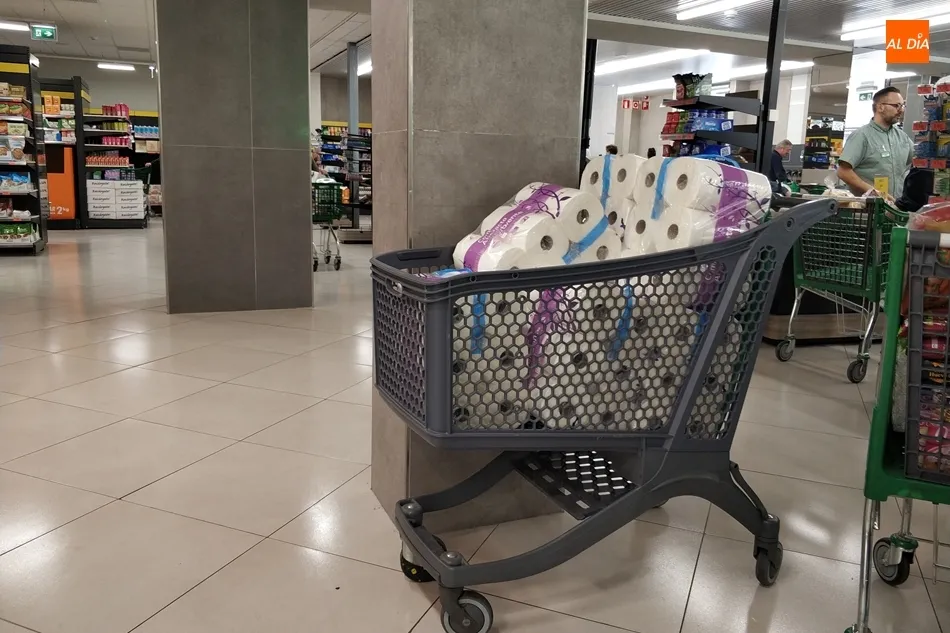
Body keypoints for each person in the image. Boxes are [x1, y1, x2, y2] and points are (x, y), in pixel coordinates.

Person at [837, 86, 913, 199]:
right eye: (896, 105)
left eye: (902, 106)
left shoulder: (903, 137)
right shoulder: (862, 136)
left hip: (896, 207)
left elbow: (918, 162)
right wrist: (874, 192)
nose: (901, 110)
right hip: (868, 209)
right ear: (880, 107)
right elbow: (843, 172)